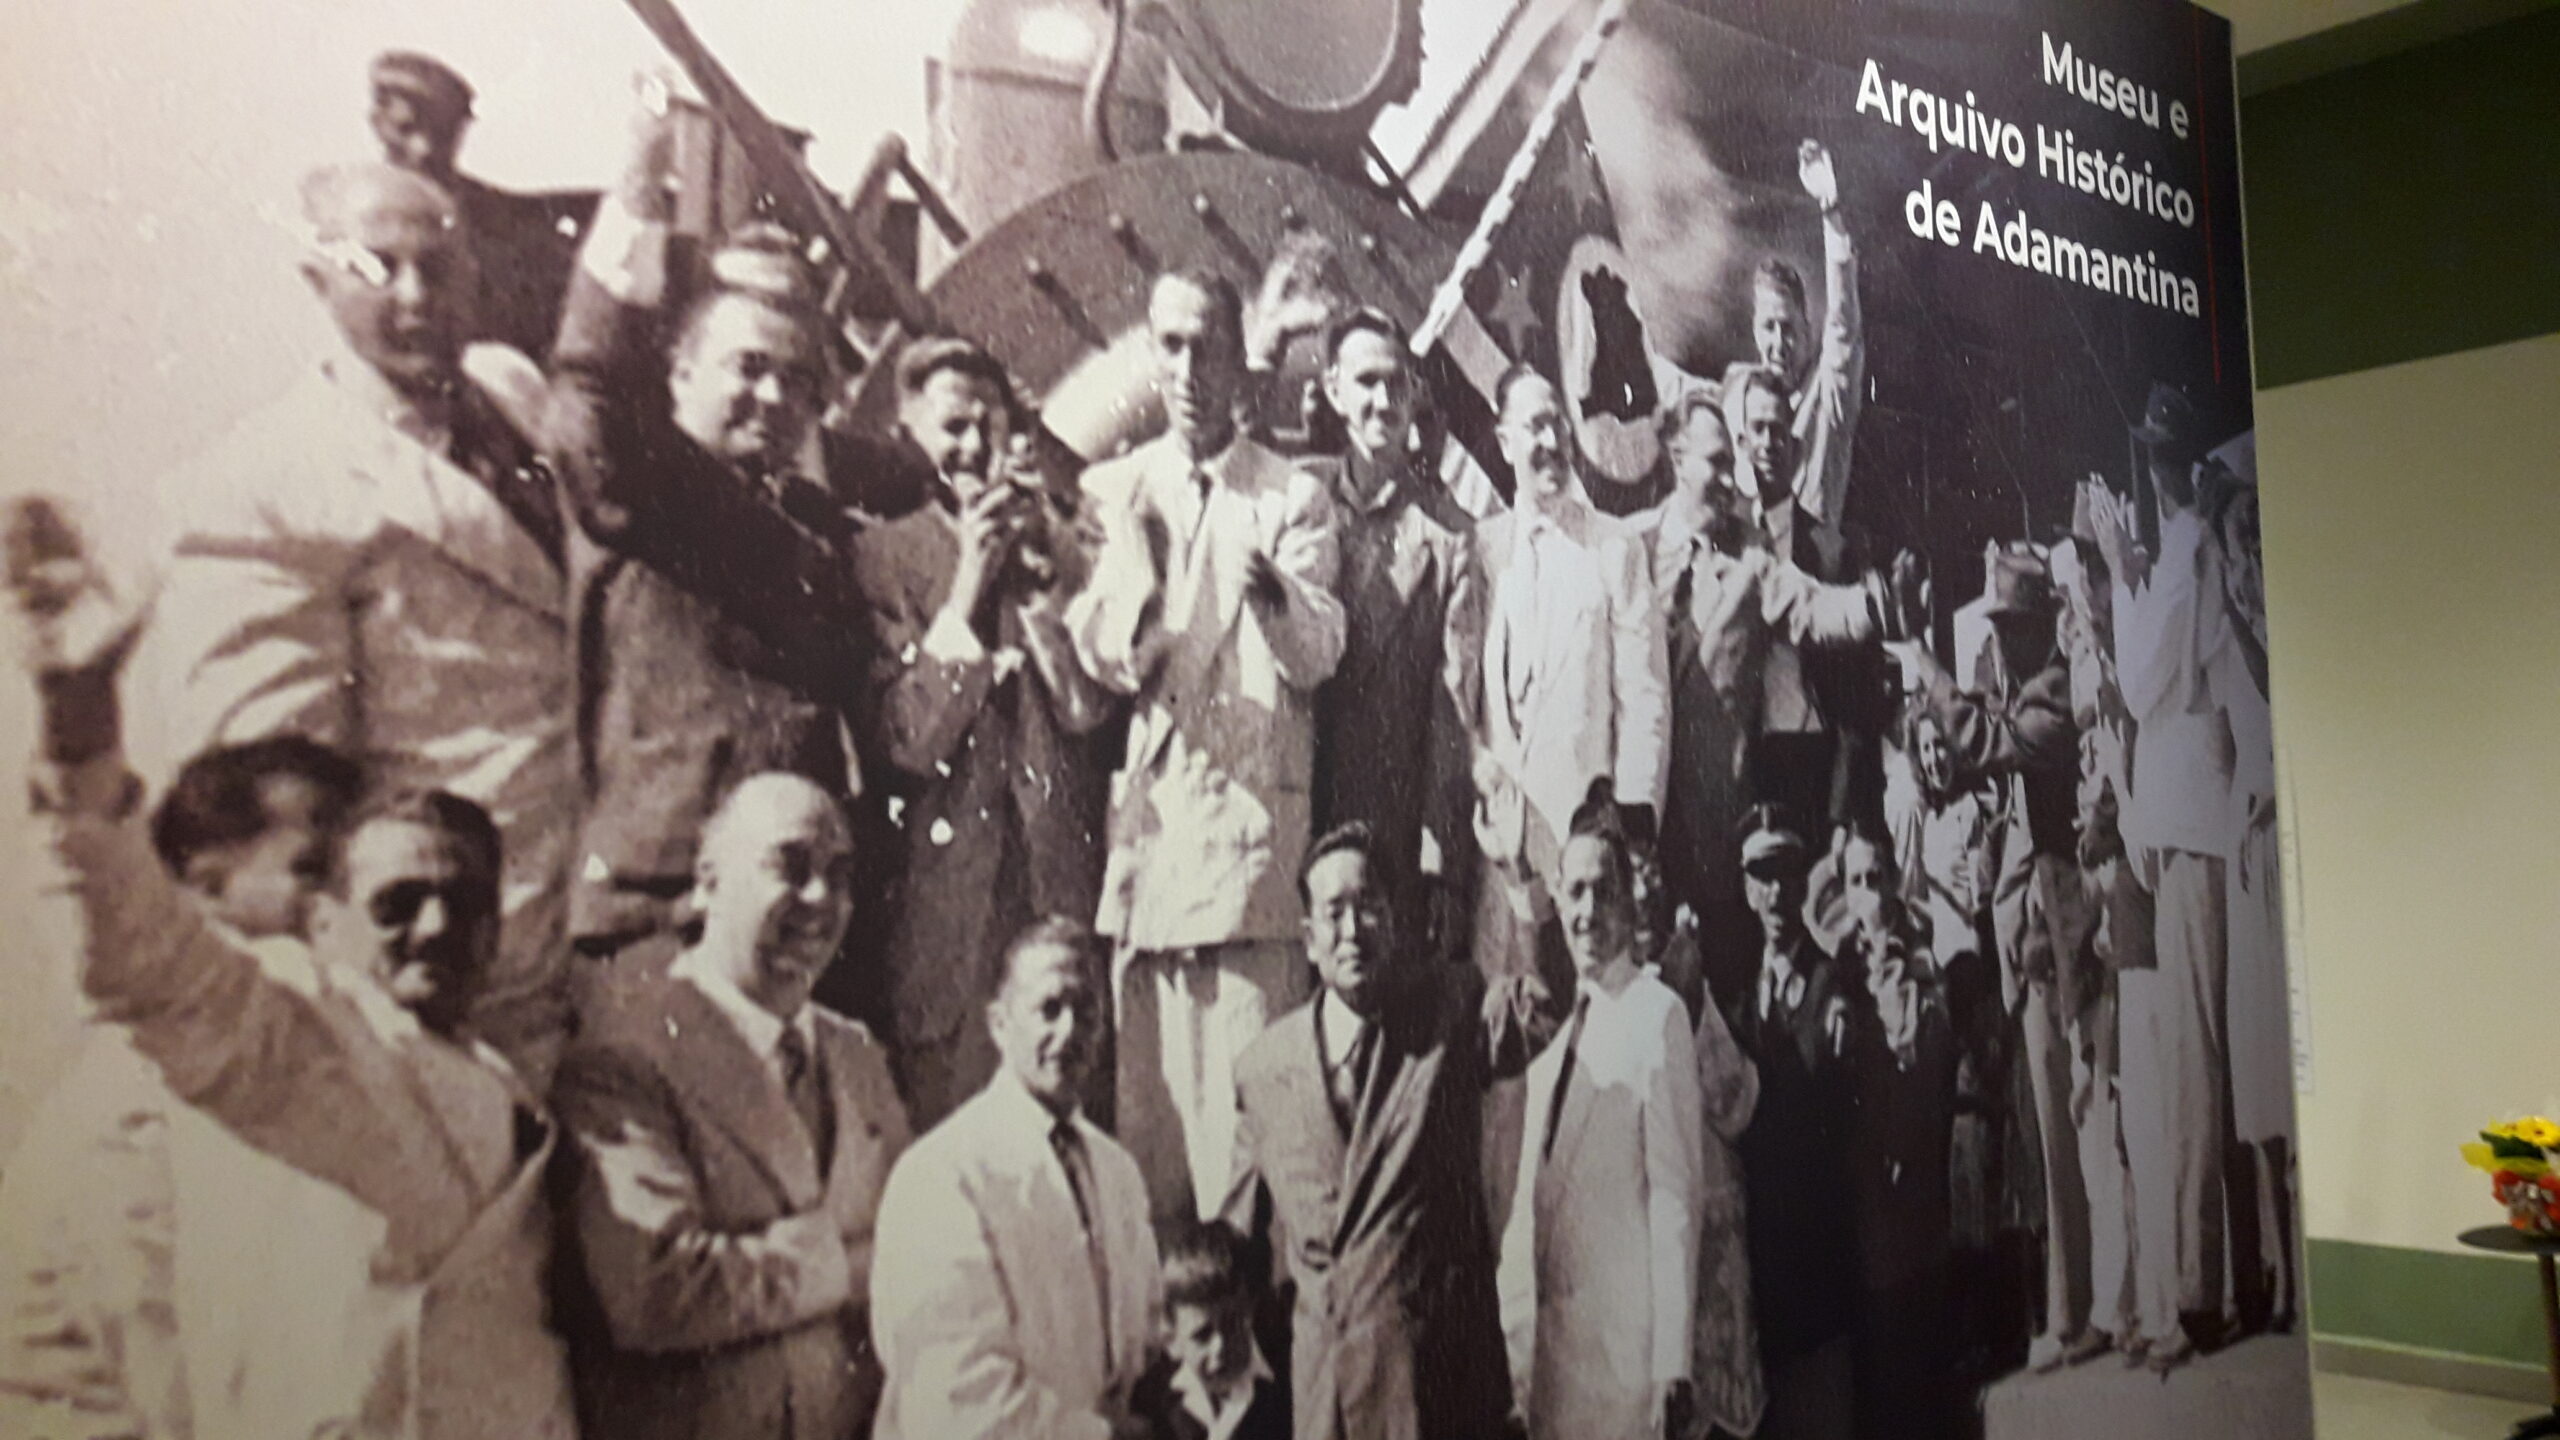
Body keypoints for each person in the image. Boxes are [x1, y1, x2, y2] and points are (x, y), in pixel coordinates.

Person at [10, 495, 577, 1440]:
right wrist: (78, 726)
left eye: (467, 904)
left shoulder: (501, 1082)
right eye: (396, 903)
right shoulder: (293, 1031)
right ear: (326, 917)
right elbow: (133, 949)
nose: (437, 927)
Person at [120, 160, 574, 1088]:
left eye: (437, 267)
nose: (414, 296)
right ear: (317, 278)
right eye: (376, 267)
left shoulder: (512, 399)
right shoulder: (264, 487)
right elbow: (260, 819)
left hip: (587, 952)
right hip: (443, 985)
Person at [546, 107, 875, 1009]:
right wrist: (635, 194)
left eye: (797, 380)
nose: (773, 397)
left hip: (789, 936)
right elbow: (589, 401)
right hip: (660, 917)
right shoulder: (645, 487)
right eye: (749, 367)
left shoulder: (812, 535)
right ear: (681, 372)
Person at [1067, 268, 1348, 1222]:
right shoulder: (1115, 492)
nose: (1188, 370)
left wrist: (1261, 581)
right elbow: (1103, 658)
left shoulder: (1291, 497)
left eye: (1208, 347)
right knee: (1153, 1179)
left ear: (1238, 363)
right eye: (1172, 346)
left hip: (1248, 877)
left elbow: (1316, 651)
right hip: (1148, 875)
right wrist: (1144, 591)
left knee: (1251, 1178)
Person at [0, 737, 362, 1440]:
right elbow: (150, 1349)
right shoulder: (146, 1084)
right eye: (315, 871)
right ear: (205, 886)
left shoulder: (230, 1066)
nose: (342, 906)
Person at [552, 773, 912, 1440]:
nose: (820, 899)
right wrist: (846, 1267)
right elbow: (655, 1289)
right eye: (790, 866)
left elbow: (914, 1250)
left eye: (839, 876)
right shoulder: (625, 1056)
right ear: (709, 882)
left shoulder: (855, 1054)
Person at [851, 337, 1115, 1127]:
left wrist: (1039, 569)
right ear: (911, 434)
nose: (971, 446)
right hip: (947, 920)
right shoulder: (882, 556)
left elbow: (1087, 709)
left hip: (1051, 897)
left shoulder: (1066, 548)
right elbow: (909, 738)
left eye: (986, 425)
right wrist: (968, 581)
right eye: (952, 427)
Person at [1224, 822, 1561, 1440]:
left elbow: (1540, 1014)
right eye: (1334, 913)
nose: (1353, 930)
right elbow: (1236, 1251)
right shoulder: (1263, 1069)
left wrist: (1521, 880)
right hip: (1330, 1405)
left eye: (1369, 907)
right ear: (1309, 939)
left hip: (1440, 1396)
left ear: (1394, 921)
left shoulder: (1449, 1011)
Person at [1893, 546, 2105, 1373]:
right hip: (2036, 947)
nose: (2004, 640)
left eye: (2015, 626)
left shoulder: (2051, 697)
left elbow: (1983, 739)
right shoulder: (2022, 691)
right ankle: (2075, 1307)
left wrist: (1927, 665)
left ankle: (2096, 1306)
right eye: (1999, 626)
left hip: (2070, 938)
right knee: (2053, 1132)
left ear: (2042, 626)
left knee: (2079, 1120)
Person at [1471, 361, 1668, 1230]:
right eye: (1532, 426)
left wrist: (1630, 831)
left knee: (1600, 1072)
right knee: (1514, 1074)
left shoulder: (1614, 549)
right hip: (1506, 865)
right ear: (1504, 441)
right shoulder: (1484, 550)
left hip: (1591, 860)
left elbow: (1645, 696)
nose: (1549, 440)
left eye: (1557, 421)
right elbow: (1469, 700)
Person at [871, 917, 1162, 1440]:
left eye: (1087, 1010)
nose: (1070, 1031)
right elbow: (956, 1396)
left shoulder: (1117, 1171)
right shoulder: (944, 1174)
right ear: (1000, 1024)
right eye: (1049, 1008)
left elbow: (1145, 1342)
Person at [2087, 383, 2240, 1372]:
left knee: (2190, 1065)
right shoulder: (2180, 553)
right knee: (2191, 1062)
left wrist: (2115, 568)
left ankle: (2195, 1293)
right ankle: (2204, 1281)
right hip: (2182, 822)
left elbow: (2144, 684)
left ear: (2165, 467)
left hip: (2191, 822)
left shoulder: (2183, 551)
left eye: (2155, 459)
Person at [1498, 783, 1703, 1440]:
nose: (1587, 912)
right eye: (1576, 892)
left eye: (1604, 892)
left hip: (1624, 1378)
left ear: (1629, 903)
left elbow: (1675, 1198)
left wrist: (1672, 1365)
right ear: (1557, 902)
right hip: (1547, 1378)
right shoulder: (1554, 1037)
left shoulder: (1658, 1015)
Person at [1304, 310, 1485, 958]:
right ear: (1334, 390)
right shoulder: (1299, 496)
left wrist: (1442, 867)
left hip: (1394, 841)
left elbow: (1452, 713)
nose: (1383, 401)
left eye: (1397, 384)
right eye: (1366, 382)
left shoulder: (1448, 536)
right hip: (1299, 821)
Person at [1728, 808, 1857, 1440]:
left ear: (1805, 880)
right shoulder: (1736, 1001)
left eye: (1786, 873)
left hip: (1822, 1258)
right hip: (1766, 1271)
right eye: (1762, 875)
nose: (1776, 892)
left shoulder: (1834, 984)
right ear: (1746, 888)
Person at [367, 51, 583, 362]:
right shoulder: (350, 217)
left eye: (442, 133)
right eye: (407, 128)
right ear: (377, 122)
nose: (424, 148)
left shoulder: (500, 221)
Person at [1717, 139, 1863, 581]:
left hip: (1809, 577)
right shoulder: (1736, 391)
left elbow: (1844, 325)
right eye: (1768, 327)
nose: (1778, 342)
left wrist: (1830, 211)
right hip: (1747, 580)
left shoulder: (1827, 399)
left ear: (1807, 330)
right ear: (1754, 331)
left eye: (1788, 328)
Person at [1135, 1222, 1289, 1440]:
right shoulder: (1153, 1401)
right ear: (1172, 1338)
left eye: (1232, 1325)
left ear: (1250, 1310)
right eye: (1201, 1336)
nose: (1220, 1348)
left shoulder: (1285, 1388)